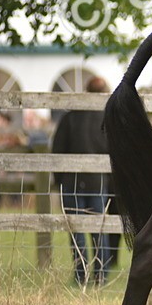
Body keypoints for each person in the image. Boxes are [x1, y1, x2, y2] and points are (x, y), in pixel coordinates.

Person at [52, 77, 113, 286]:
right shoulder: (106, 119)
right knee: (100, 229)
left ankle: (81, 274)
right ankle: (101, 274)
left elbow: (57, 148)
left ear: (86, 90)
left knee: (76, 229)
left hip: (71, 181)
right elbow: (112, 150)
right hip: (97, 181)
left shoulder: (71, 117)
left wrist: (57, 180)